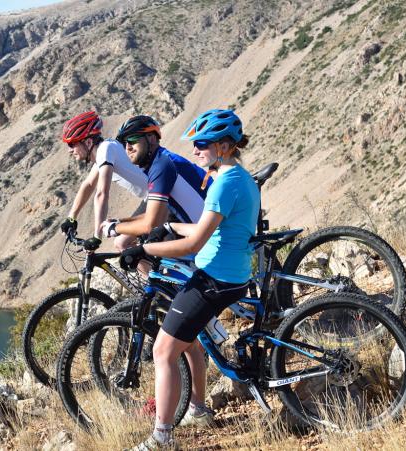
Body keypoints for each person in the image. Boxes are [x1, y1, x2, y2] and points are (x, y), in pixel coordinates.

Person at [123, 109, 260, 450]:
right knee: (187, 340)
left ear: (224, 146)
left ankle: (161, 437)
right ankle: (197, 408)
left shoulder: (223, 184)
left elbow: (194, 244)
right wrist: (170, 226)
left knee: (163, 352)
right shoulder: (238, 177)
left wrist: (145, 248)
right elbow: (205, 228)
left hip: (214, 278)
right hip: (231, 273)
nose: (195, 150)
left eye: (202, 144)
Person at [98, 115, 210, 253]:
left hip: (212, 241)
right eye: (124, 143)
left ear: (151, 138)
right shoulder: (160, 162)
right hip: (205, 234)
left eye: (132, 140)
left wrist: (114, 228)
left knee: (140, 252)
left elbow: (150, 224)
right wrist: (122, 221)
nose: (128, 147)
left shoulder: (161, 165)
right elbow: (159, 215)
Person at [59, 111, 149, 240]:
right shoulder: (103, 152)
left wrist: (97, 236)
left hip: (162, 199)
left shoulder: (105, 149)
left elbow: (102, 193)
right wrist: (71, 218)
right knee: (124, 241)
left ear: (88, 142)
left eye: (72, 144)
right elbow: (89, 184)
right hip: (150, 199)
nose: (69, 150)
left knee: (122, 242)